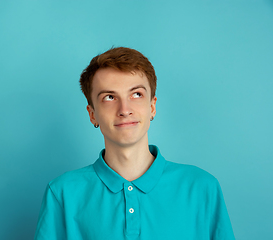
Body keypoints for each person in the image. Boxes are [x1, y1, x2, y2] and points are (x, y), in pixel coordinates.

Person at [34, 47, 235, 240]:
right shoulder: (62, 193)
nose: (125, 109)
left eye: (136, 94)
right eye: (109, 97)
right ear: (92, 114)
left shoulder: (201, 187)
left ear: (152, 106)